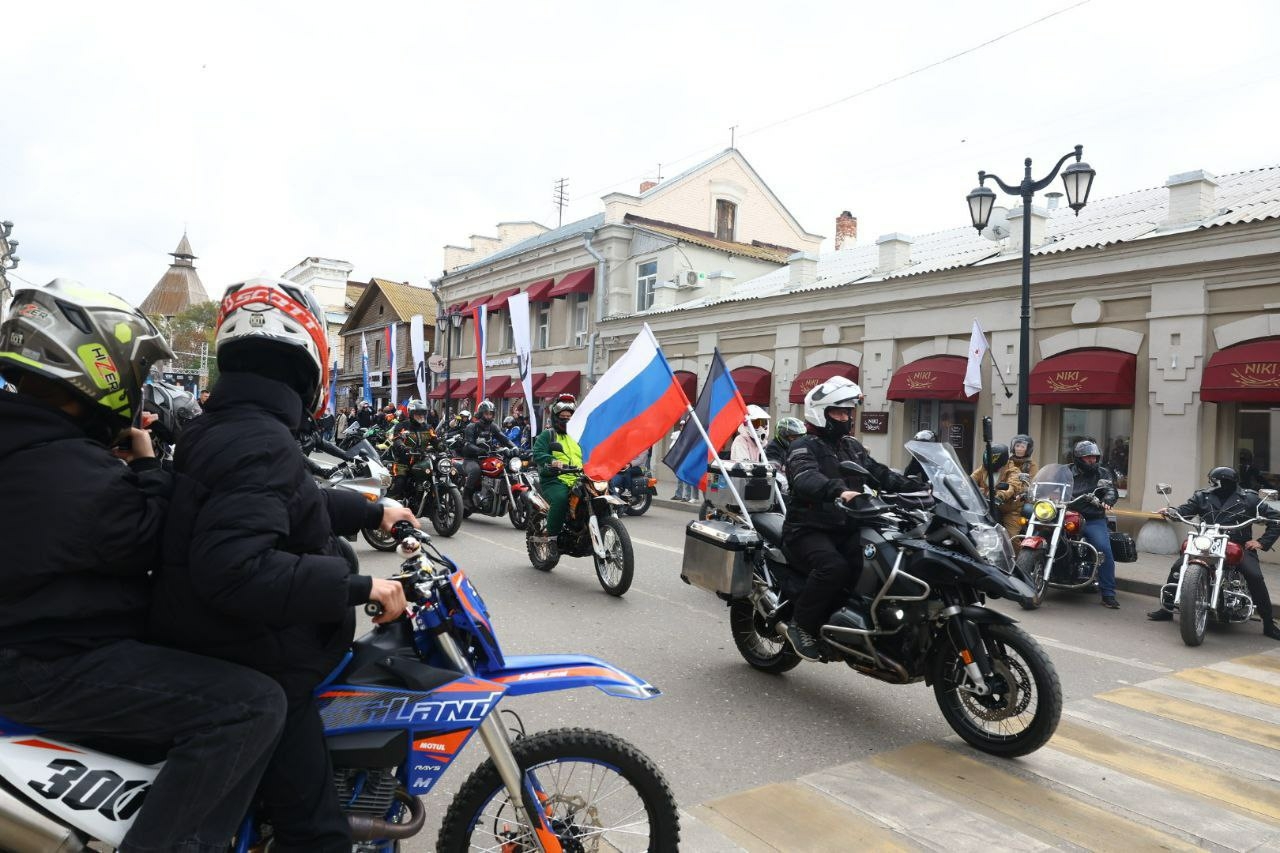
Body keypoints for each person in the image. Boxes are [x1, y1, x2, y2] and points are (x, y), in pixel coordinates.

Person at [0, 280, 287, 853]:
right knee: (251, 706)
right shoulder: (74, 473)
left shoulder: (36, 448)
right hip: (42, 661)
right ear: (100, 372)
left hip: (30, 645)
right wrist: (149, 467)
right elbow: (157, 540)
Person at [150, 276, 415, 852]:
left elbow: (290, 500)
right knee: (318, 834)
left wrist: (374, 509)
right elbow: (237, 570)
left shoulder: (229, 427)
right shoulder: (261, 441)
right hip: (254, 650)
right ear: (308, 367)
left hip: (216, 632)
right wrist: (360, 585)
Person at [783, 376, 917, 661]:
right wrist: (839, 491)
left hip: (846, 526)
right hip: (808, 528)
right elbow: (805, 477)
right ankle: (801, 625)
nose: (846, 418)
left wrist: (917, 486)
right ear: (820, 413)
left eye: (847, 412)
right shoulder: (803, 446)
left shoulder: (851, 446)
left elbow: (878, 473)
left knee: (885, 561)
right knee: (833, 568)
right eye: (838, 412)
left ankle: (864, 623)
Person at [1148, 466, 1280, 638]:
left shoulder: (1249, 498)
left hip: (1237, 544)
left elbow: (1275, 518)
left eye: (1214, 480)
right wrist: (1172, 511)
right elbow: (1185, 511)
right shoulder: (1202, 496)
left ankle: (1268, 623)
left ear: (1223, 482)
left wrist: (1262, 542)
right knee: (1178, 567)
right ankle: (1167, 609)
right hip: (1207, 541)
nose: (1211, 483)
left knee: (1254, 576)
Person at [1067, 439, 1121, 609]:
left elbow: (1110, 489)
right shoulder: (1066, 471)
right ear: (1078, 458)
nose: (1092, 460)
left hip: (1092, 517)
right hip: (1066, 515)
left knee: (1103, 549)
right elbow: (1053, 484)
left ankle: (1108, 594)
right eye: (1087, 457)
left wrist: (1108, 499)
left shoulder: (1102, 473)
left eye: (1094, 457)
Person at [533, 396, 582, 544]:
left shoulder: (579, 436)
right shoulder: (548, 434)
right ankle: (552, 539)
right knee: (561, 499)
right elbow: (538, 453)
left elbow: (592, 452)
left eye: (569, 417)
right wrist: (552, 461)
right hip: (555, 479)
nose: (566, 420)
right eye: (563, 417)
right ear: (555, 417)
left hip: (579, 478)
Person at [461, 399, 515, 508]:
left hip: (487, 457)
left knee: (503, 467)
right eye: (486, 414)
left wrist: (514, 447)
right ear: (481, 414)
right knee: (475, 470)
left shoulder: (493, 426)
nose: (489, 416)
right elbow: (468, 444)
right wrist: (478, 450)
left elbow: (504, 438)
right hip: (471, 459)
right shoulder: (472, 427)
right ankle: (466, 496)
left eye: (491, 414)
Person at [969, 443, 1027, 539]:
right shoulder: (984, 468)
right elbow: (971, 479)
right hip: (986, 506)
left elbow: (1012, 486)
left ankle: (1017, 549)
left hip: (1008, 509)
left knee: (1011, 538)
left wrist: (1000, 495)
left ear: (1000, 459)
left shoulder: (1013, 470)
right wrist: (962, 486)